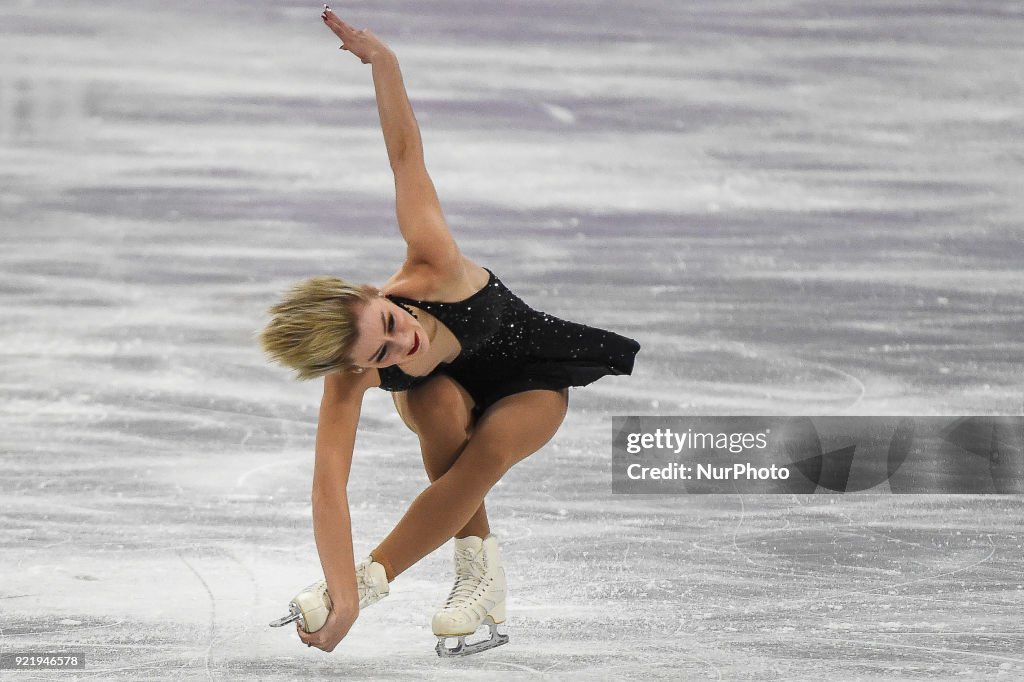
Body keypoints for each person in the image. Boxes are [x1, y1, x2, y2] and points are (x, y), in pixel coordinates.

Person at [258, 6, 640, 656]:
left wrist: (384, 63)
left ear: (374, 293)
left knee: (489, 446)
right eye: (378, 354)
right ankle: (474, 572)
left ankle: (402, 576)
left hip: (532, 376)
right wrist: (337, 602)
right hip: (450, 396)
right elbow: (328, 479)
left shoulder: (430, 260)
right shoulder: (355, 372)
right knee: (432, 399)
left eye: (387, 324)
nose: (397, 344)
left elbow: (405, 154)